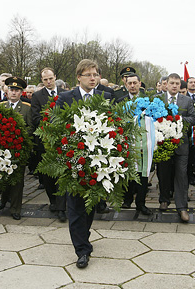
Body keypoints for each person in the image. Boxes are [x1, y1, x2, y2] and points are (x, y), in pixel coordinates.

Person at [56, 59, 114, 269]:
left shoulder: (105, 97)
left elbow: (112, 126)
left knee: (90, 205)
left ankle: (84, 237)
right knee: (75, 205)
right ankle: (81, 250)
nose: (92, 78)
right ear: (78, 77)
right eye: (88, 74)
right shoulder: (65, 98)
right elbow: (58, 128)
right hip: (73, 159)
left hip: (97, 161)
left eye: (95, 74)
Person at [157, 73, 195, 222]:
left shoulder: (186, 101)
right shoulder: (158, 99)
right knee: (164, 172)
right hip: (163, 143)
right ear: (166, 84)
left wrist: (178, 119)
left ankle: (182, 207)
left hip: (181, 144)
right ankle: (164, 199)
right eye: (172, 83)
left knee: (181, 174)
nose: (174, 86)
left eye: (177, 84)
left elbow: (193, 119)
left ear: (180, 85)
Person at [31, 67, 66, 222]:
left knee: (62, 173)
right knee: (48, 175)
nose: (48, 82)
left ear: (55, 77)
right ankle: (53, 201)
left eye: (50, 79)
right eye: (45, 80)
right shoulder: (38, 96)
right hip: (46, 141)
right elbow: (35, 118)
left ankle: (62, 207)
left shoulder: (65, 93)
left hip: (64, 140)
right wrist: (51, 124)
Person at [0, 77, 33, 220]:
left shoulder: (26, 107)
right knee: (4, 178)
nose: (13, 93)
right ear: (7, 91)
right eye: (11, 90)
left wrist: (20, 137)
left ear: (21, 93)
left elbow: (31, 127)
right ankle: (4, 199)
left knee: (18, 180)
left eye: (17, 90)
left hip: (19, 148)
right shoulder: (0, 106)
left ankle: (15, 208)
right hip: (2, 149)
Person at [119, 73, 152, 215]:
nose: (132, 86)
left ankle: (141, 203)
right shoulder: (120, 101)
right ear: (126, 85)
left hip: (144, 143)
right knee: (127, 172)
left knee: (143, 173)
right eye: (129, 83)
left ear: (139, 84)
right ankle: (127, 200)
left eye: (135, 83)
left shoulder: (149, 101)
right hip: (127, 143)